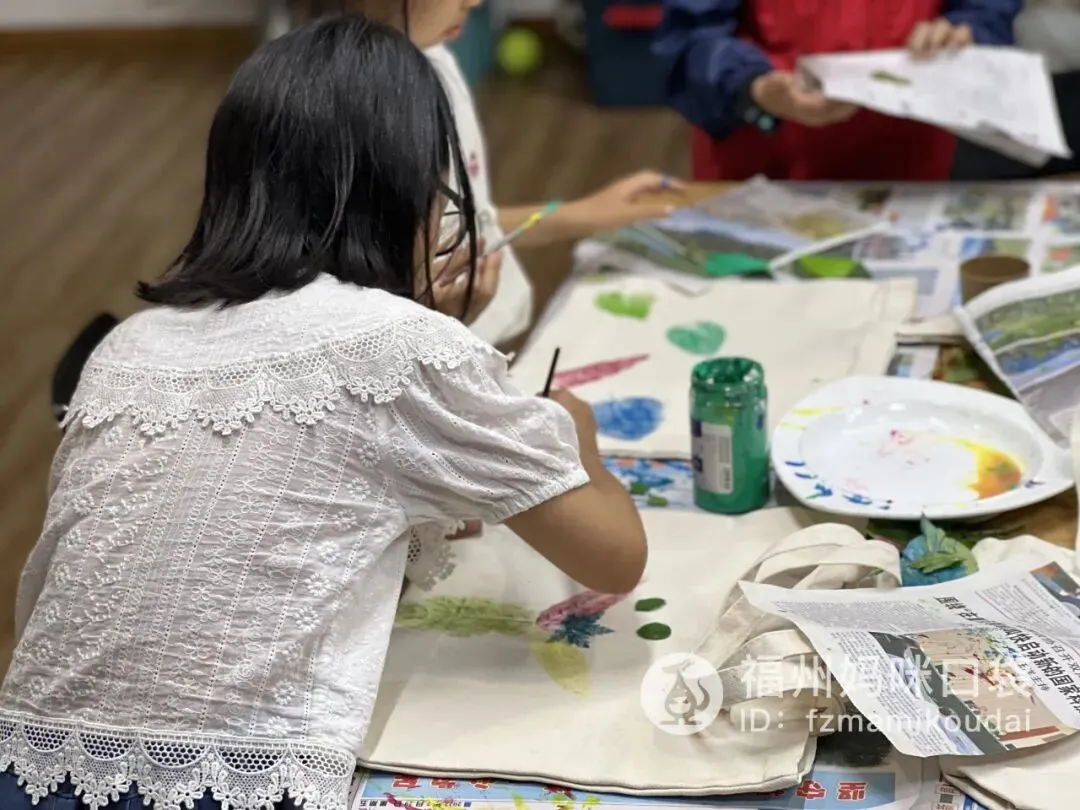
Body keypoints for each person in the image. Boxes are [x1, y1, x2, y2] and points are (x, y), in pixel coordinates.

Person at [0, 15, 646, 810]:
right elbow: (615, 559)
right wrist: (577, 438)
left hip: (28, 767)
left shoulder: (127, 346)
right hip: (236, 785)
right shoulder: (397, 344)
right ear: (410, 192)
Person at [298, 1, 685, 347]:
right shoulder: (347, 115)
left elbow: (467, 224)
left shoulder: (436, 59)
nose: (474, 2)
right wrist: (440, 327)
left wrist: (581, 214)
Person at [653, 0, 1022, 182]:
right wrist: (754, 86)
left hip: (909, 166)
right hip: (766, 167)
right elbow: (690, 40)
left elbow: (983, 9)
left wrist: (964, 31)